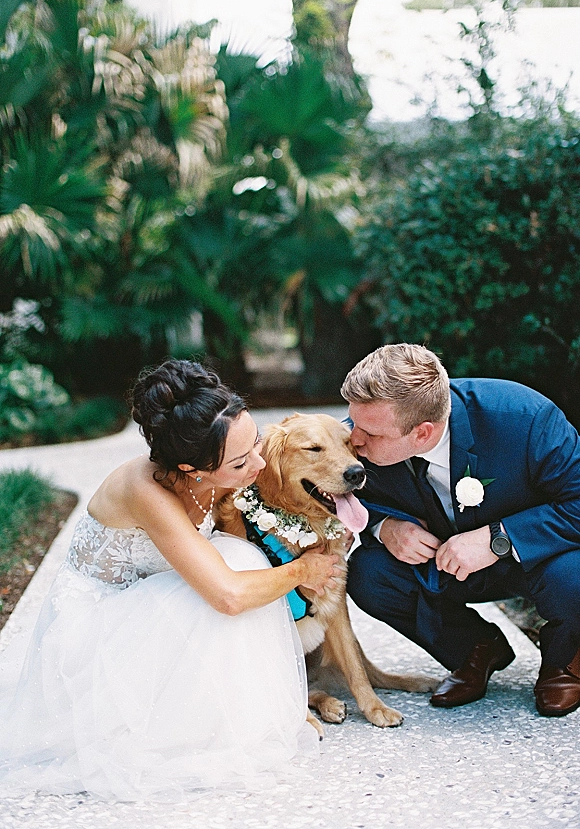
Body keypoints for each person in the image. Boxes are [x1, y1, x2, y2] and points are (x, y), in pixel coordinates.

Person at [0, 359, 339, 801]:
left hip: (151, 596)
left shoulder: (219, 461)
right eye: (241, 462)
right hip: (98, 626)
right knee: (239, 574)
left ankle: (234, 707)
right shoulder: (145, 489)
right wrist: (300, 571)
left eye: (256, 443)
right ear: (190, 468)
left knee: (242, 556)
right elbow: (229, 596)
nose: (258, 463)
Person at [341, 343, 580, 717]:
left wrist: (499, 538)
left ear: (422, 433)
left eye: (369, 432)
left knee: (575, 577)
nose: (354, 440)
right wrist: (383, 526)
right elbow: (322, 488)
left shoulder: (526, 419)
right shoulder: (365, 433)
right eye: (353, 421)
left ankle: (564, 662)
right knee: (368, 573)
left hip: (537, 563)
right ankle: (476, 649)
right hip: (442, 564)